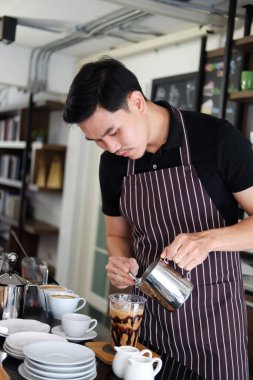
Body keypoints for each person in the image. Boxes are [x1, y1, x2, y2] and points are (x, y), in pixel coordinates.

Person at [63, 57, 253, 380]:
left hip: (214, 329)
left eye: (113, 132)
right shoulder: (113, 164)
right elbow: (117, 236)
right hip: (144, 328)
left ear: (137, 102)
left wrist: (210, 239)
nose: (109, 147)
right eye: (96, 140)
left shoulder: (216, 140)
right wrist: (120, 261)